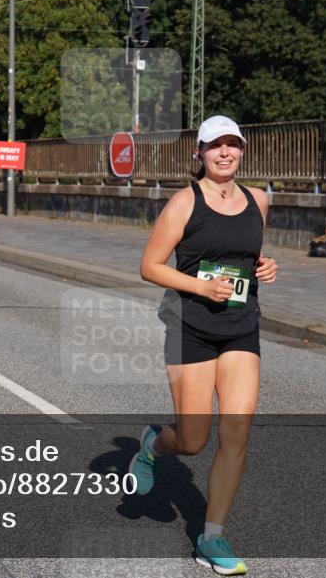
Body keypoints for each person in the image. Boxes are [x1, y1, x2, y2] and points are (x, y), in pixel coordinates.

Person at [134, 115, 278, 576]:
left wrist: (265, 267)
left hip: (240, 327)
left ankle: (211, 537)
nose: (225, 153)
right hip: (189, 326)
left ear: (242, 150)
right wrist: (199, 288)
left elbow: (247, 254)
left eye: (233, 144)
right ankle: (154, 445)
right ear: (199, 152)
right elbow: (151, 266)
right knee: (193, 440)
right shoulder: (184, 202)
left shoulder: (259, 199)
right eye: (215, 145)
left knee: (236, 432)